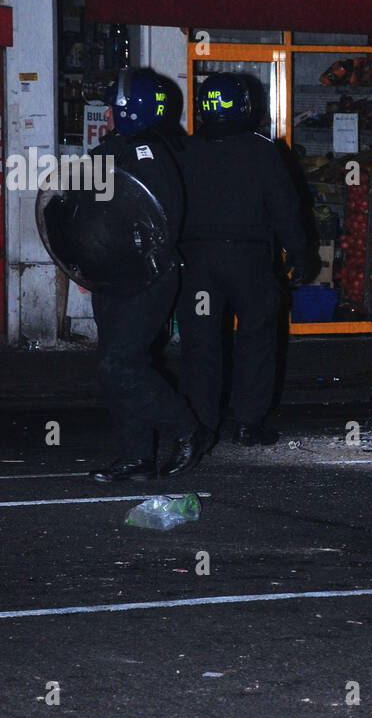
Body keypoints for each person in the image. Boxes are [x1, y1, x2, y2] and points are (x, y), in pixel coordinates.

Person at [90, 69, 212, 481]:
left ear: (127, 109)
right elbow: (80, 208)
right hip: (116, 274)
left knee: (117, 365)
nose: (105, 113)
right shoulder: (119, 148)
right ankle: (136, 456)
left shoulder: (147, 153)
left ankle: (187, 429)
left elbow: (150, 222)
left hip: (145, 275)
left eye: (111, 106)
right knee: (123, 363)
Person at [177, 73, 310, 445]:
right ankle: (249, 423)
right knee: (257, 339)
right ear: (246, 107)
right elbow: (285, 208)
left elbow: (165, 208)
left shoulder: (182, 151)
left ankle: (202, 425)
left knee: (201, 344)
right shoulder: (262, 150)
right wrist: (299, 253)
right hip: (249, 262)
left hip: (198, 264)